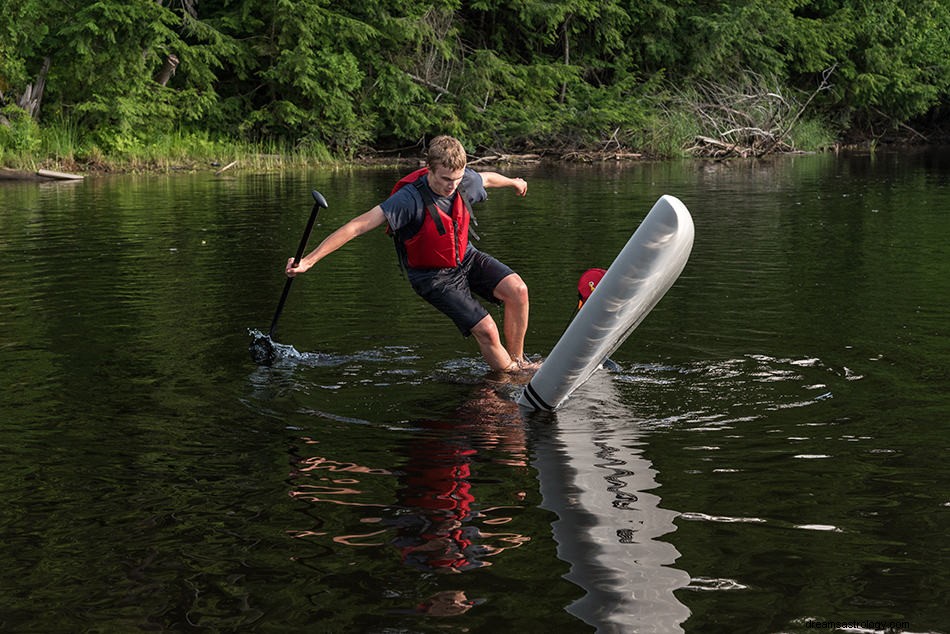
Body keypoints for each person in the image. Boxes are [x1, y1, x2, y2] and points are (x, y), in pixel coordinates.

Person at [285, 135, 538, 373]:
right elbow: (356, 226)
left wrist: (514, 182)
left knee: (518, 290)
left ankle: (518, 363)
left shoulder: (463, 180)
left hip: (465, 257)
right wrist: (308, 260)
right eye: (445, 179)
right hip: (433, 277)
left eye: (457, 179)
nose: (452, 186)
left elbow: (487, 178)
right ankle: (509, 378)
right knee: (487, 330)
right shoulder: (408, 199)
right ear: (429, 168)